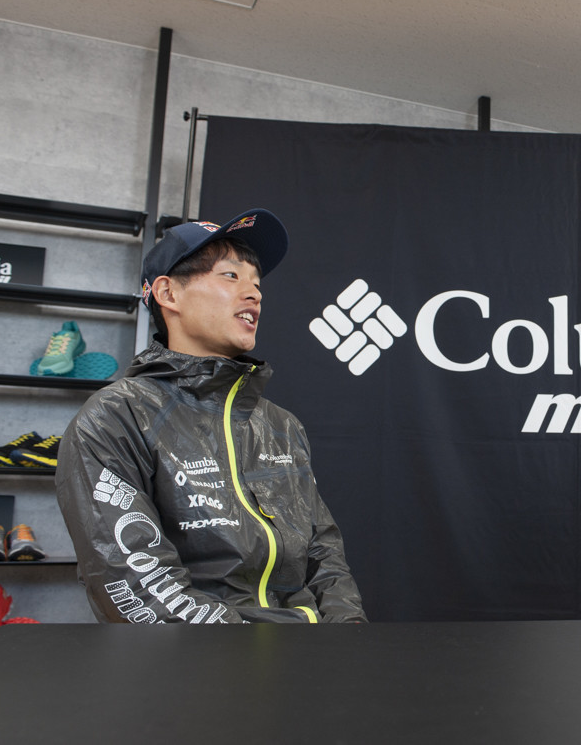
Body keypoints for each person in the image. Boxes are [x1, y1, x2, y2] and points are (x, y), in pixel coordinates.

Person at [56, 209, 366, 623]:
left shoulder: (282, 425)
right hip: (199, 661)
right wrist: (295, 636)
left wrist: (347, 637)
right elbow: (138, 592)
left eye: (257, 284)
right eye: (231, 276)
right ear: (168, 294)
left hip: (308, 656)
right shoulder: (115, 418)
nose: (254, 294)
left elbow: (324, 556)